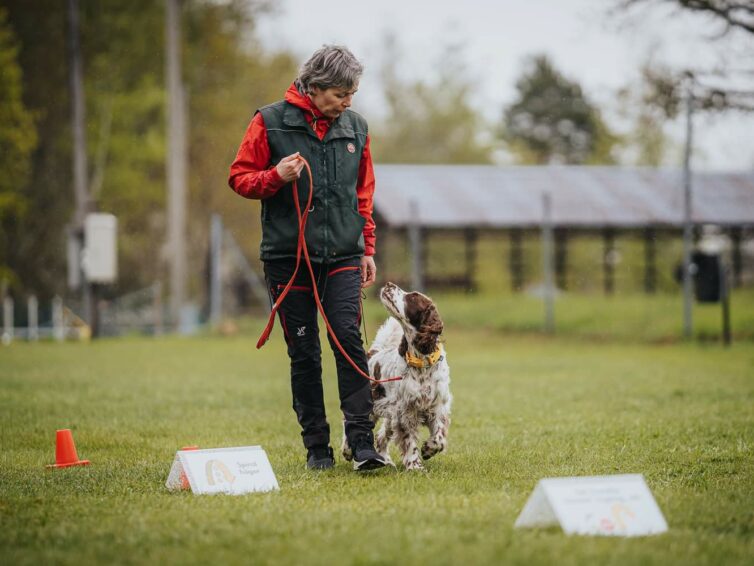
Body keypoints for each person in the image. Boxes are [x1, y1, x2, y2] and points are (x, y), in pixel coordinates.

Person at [228, 45, 386, 471]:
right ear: (314, 88)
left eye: (352, 93)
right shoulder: (269, 121)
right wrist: (275, 177)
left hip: (343, 257)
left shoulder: (356, 128)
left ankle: (363, 444)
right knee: (304, 351)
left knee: (348, 342)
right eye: (340, 93)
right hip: (288, 258)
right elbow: (240, 178)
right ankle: (318, 449)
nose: (348, 101)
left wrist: (367, 247)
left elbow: (363, 194)